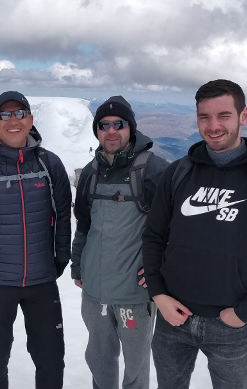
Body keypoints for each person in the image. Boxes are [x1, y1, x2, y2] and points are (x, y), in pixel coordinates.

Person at [143, 79, 247, 389]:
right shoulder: (178, 172)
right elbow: (154, 236)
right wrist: (158, 295)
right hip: (173, 318)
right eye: (204, 117)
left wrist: (245, 312)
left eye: (224, 115)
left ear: (244, 116)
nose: (213, 126)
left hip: (231, 325)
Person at [0, 91, 72, 389]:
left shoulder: (49, 164)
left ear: (30, 120)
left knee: (51, 357)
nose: (13, 121)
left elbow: (62, 216)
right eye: (5, 115)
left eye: (20, 113)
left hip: (41, 279)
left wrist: (59, 259)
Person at [71, 95, 168, 389]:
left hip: (135, 295)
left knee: (136, 366)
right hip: (95, 289)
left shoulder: (153, 170)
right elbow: (84, 225)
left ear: (131, 128)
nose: (111, 131)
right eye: (104, 125)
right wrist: (78, 267)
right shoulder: (90, 172)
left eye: (118, 124)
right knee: (99, 360)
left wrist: (160, 268)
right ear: (96, 130)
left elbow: (176, 228)